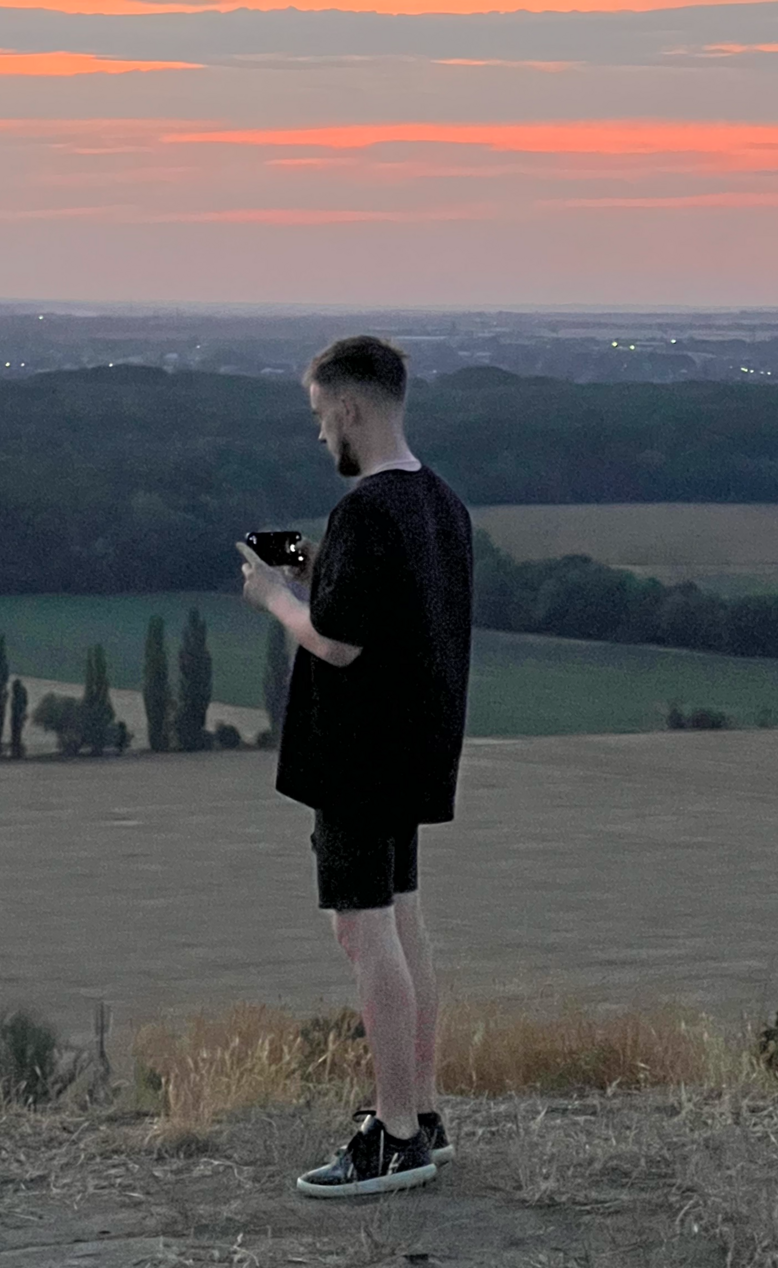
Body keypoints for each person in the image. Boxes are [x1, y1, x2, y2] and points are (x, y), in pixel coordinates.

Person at [240, 334, 472, 1198]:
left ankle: (395, 1134)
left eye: (319, 416)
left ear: (348, 408)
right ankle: (422, 1112)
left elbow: (337, 640)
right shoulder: (440, 503)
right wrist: (310, 563)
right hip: (414, 750)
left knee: (363, 932)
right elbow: (386, 601)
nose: (319, 434)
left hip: (358, 755)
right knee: (404, 922)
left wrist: (276, 597)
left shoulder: (368, 511)